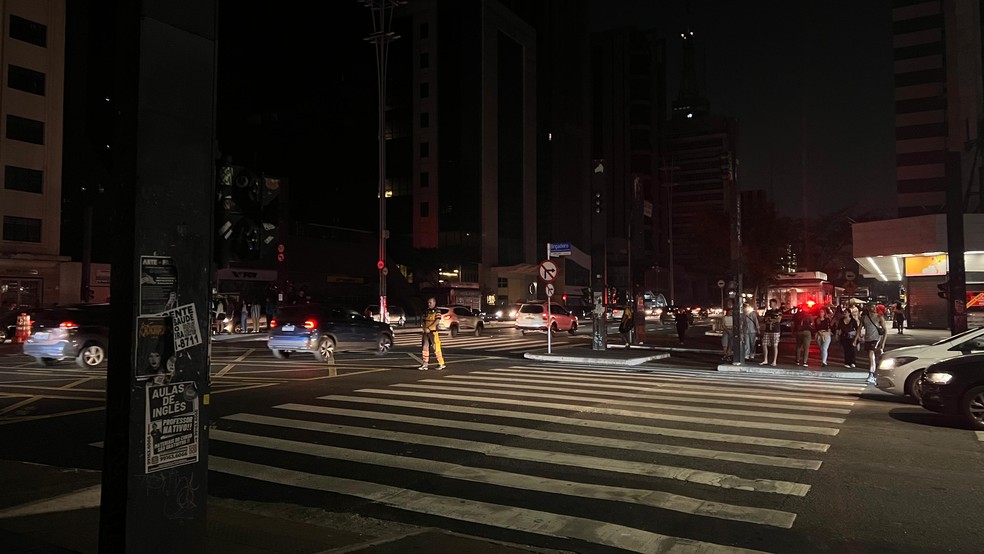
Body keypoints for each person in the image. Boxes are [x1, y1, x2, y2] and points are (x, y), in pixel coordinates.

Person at [858, 304, 884, 384]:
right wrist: (858, 337)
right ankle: (874, 373)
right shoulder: (864, 318)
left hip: (876, 339)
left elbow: (885, 330)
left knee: (871, 354)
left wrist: (883, 342)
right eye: (871, 307)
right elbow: (859, 328)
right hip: (868, 339)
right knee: (870, 358)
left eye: (874, 307)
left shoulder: (879, 317)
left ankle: (871, 374)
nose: (873, 308)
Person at [419, 297, 446, 370]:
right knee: (425, 348)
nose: (429, 304)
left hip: (433, 332)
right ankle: (425, 364)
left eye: (430, 303)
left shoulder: (437, 311)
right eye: (428, 303)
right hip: (426, 332)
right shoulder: (426, 311)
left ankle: (441, 363)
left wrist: (429, 328)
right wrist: (424, 329)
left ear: (434, 303)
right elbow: (424, 320)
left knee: (436, 348)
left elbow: (437, 321)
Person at [760, 299, 781, 366]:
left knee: (774, 345)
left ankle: (774, 361)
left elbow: (778, 320)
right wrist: (772, 320)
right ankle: (765, 359)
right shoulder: (768, 312)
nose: (770, 304)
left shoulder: (779, 311)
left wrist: (770, 320)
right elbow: (765, 319)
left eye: (771, 303)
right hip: (768, 330)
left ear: (775, 304)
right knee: (764, 343)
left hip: (775, 330)